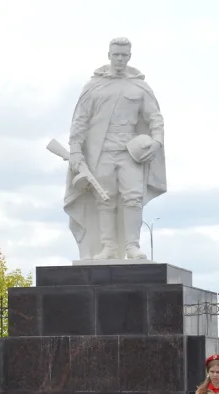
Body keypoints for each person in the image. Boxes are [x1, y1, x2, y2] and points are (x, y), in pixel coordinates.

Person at [64, 36, 166, 260]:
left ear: (129, 56)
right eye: (116, 55)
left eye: (124, 55)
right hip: (100, 152)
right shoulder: (94, 87)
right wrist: (75, 150)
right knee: (104, 198)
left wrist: (157, 141)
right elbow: (80, 120)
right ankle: (108, 246)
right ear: (109, 55)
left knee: (133, 198)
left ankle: (132, 246)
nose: (120, 59)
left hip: (131, 153)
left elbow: (155, 118)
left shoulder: (139, 87)